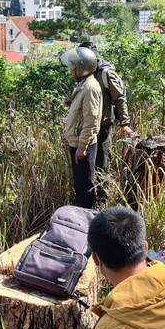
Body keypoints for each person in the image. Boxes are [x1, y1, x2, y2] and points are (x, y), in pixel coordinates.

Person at [78, 41, 135, 174]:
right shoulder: (83, 72)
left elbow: (119, 98)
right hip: (86, 127)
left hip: (103, 126)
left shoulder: (105, 73)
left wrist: (124, 123)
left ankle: (103, 193)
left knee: (101, 165)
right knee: (87, 166)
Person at [61, 46, 103, 209]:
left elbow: (92, 121)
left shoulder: (90, 88)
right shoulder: (83, 85)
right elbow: (84, 111)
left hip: (82, 146)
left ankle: (86, 219)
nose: (70, 69)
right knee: (80, 185)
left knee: (85, 187)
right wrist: (73, 103)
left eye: (73, 66)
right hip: (78, 143)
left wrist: (82, 147)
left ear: (81, 68)